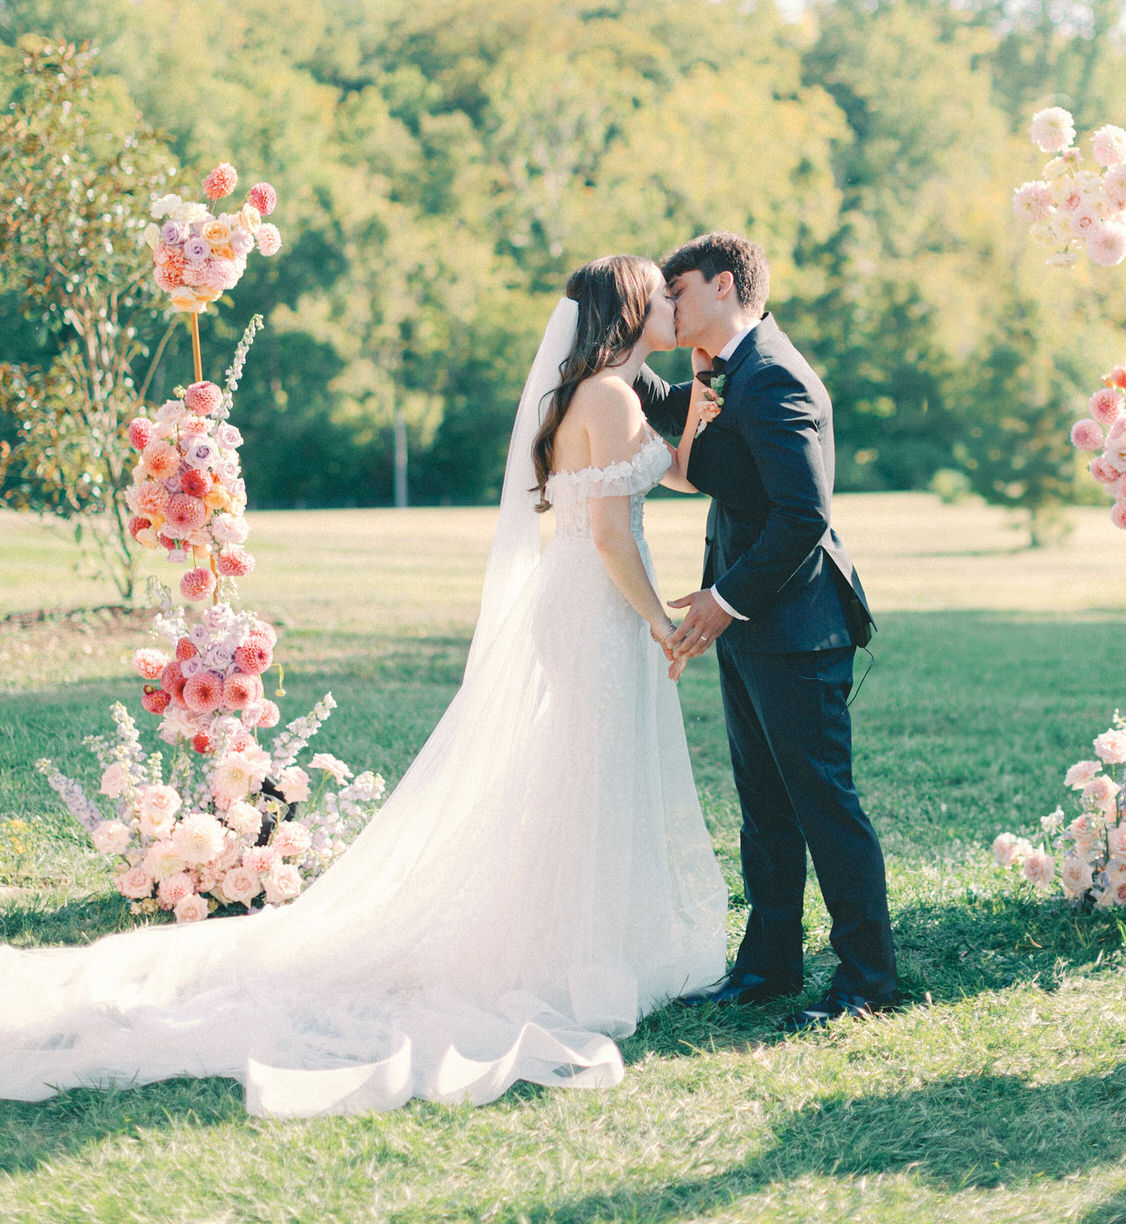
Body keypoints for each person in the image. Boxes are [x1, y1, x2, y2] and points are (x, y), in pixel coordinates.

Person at [0, 257, 727, 1118]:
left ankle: (591, 946)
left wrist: (691, 433)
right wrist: (656, 619)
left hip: (591, 602)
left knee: (590, 774)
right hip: (599, 603)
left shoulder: (613, 392)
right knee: (590, 776)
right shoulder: (606, 397)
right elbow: (610, 532)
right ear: (632, 308)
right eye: (661, 293)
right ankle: (582, 958)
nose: (673, 305)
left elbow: (658, 478)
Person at [635, 232, 898, 1028]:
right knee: (764, 810)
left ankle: (868, 983)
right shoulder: (724, 372)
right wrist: (604, 347)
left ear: (722, 285)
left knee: (824, 805)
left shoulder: (775, 375)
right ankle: (770, 965)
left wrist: (725, 599)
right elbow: (668, 420)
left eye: (675, 290)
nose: (670, 305)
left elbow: (804, 514)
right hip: (753, 628)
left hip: (796, 628)